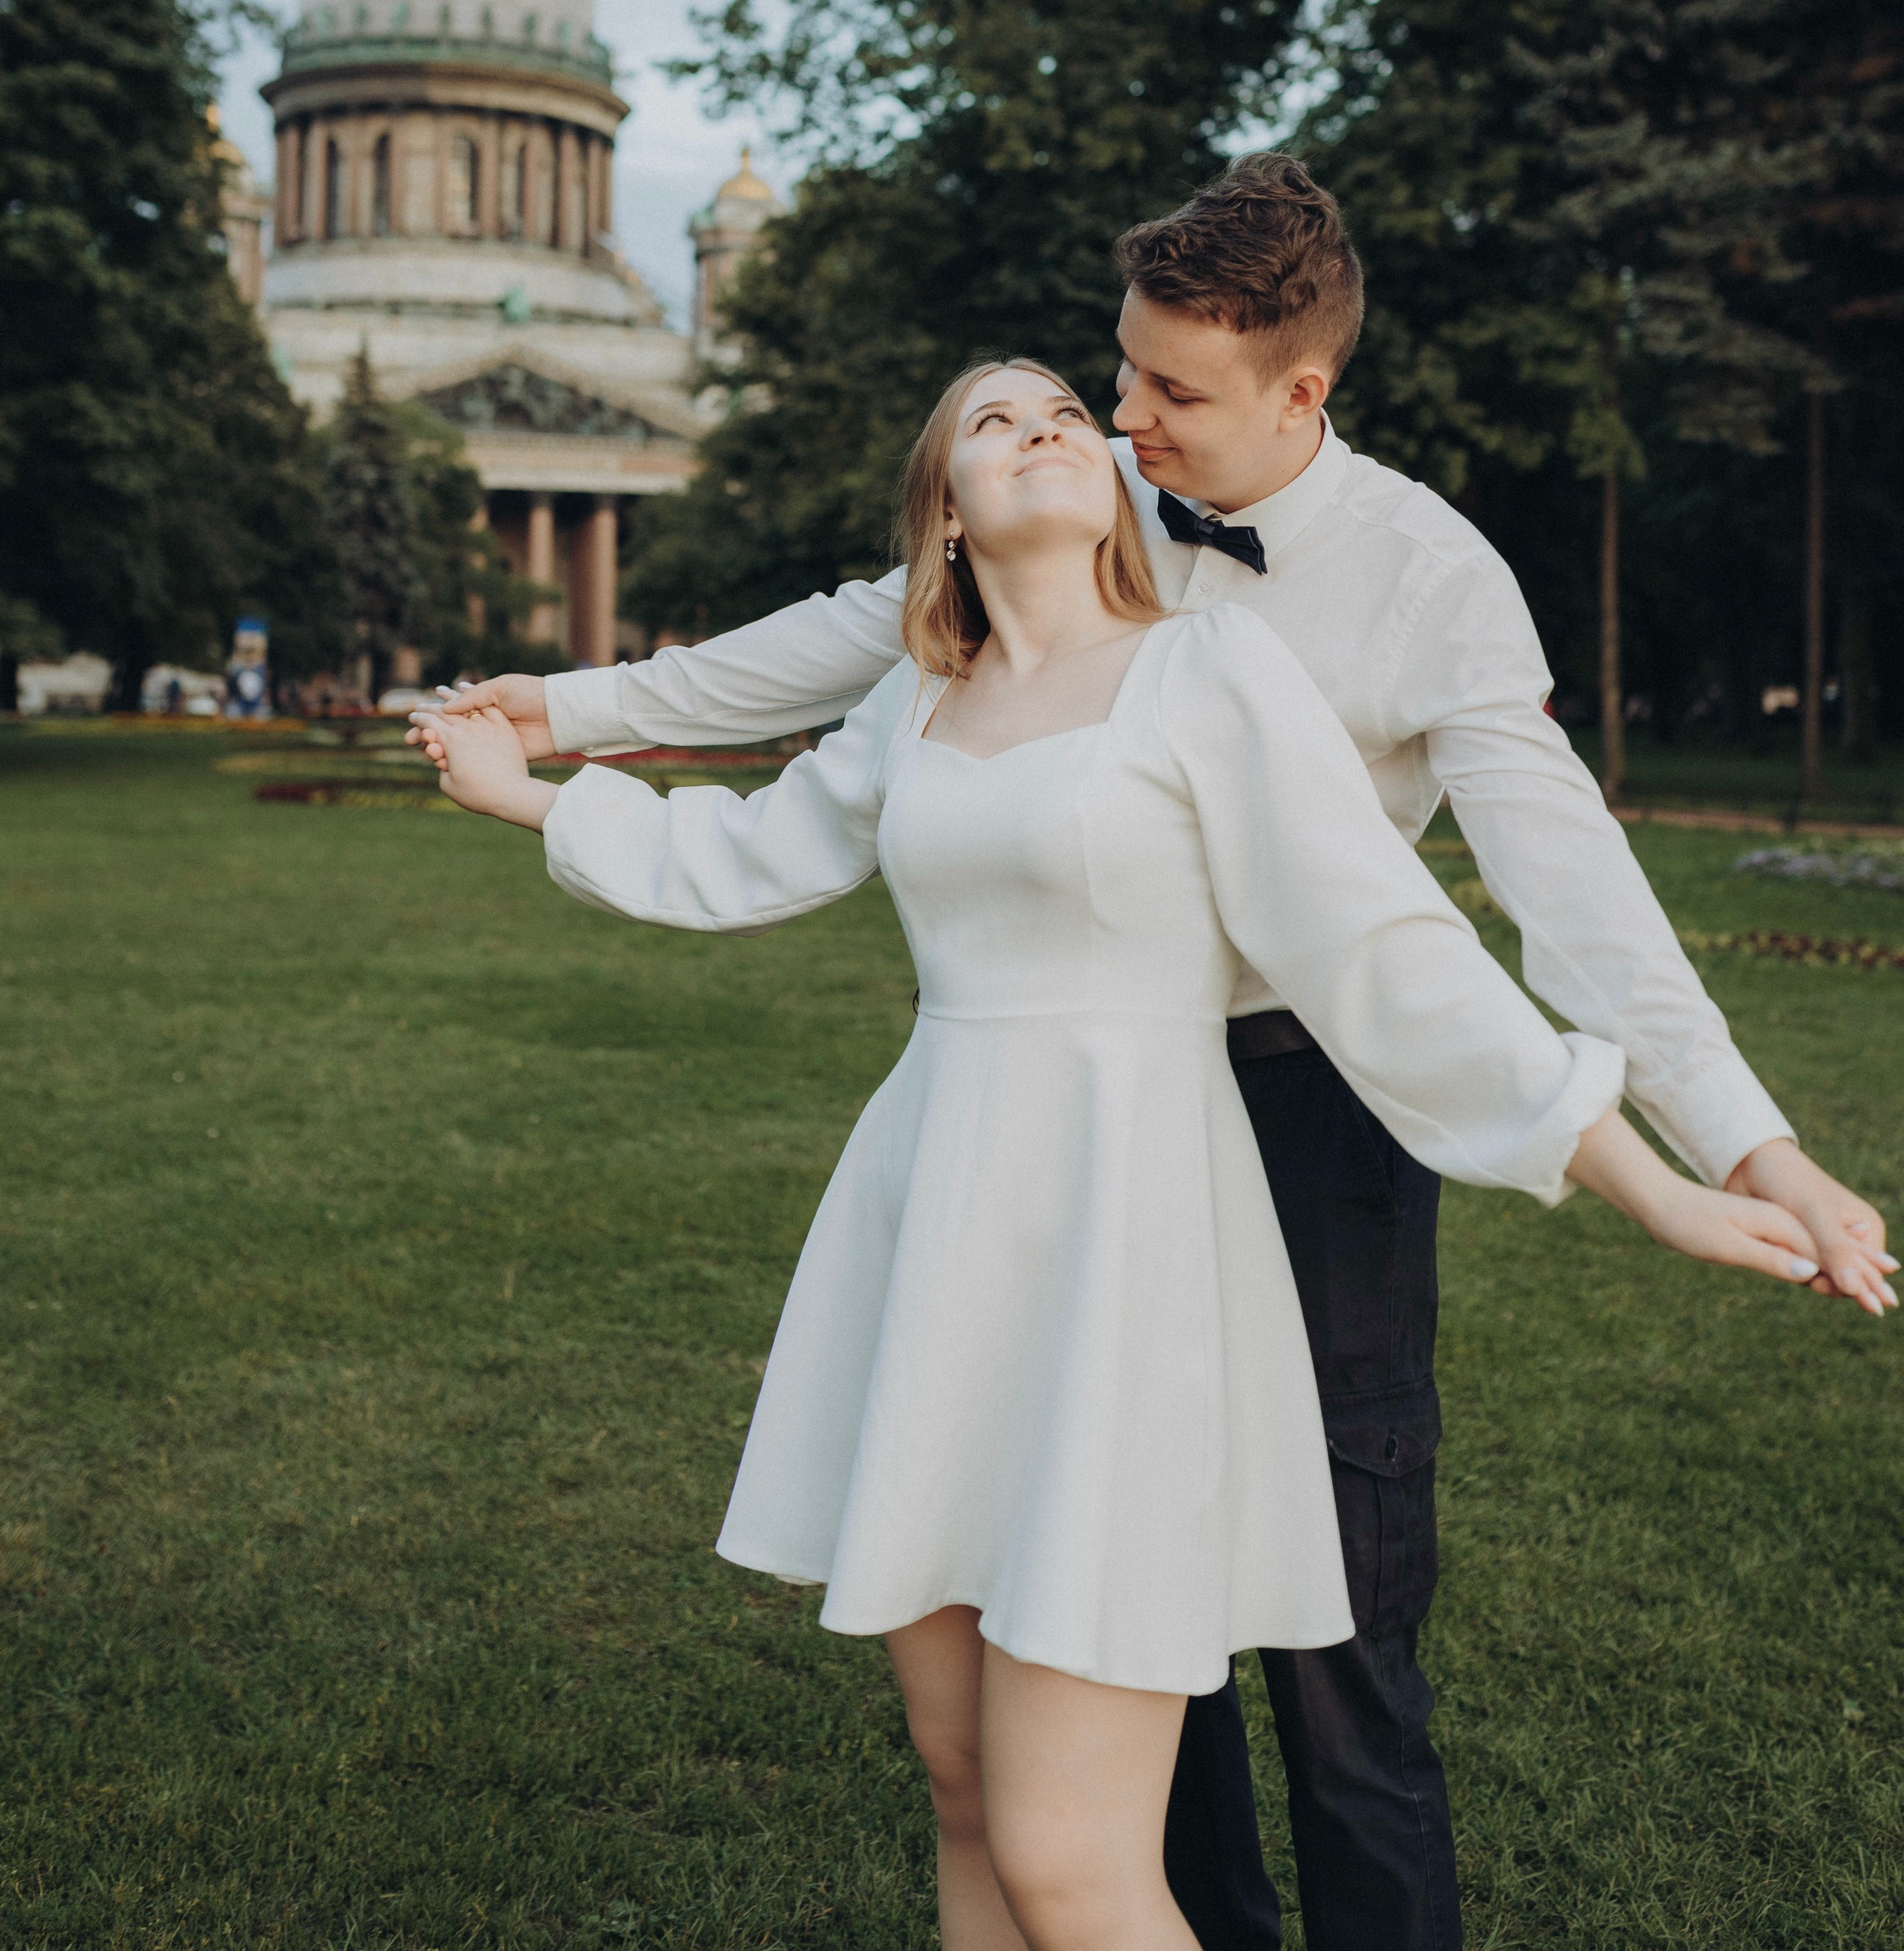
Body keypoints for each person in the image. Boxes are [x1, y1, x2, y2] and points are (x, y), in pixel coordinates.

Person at [416, 159, 1894, 1951]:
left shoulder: (1417, 585)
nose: (1109, 423)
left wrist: (1720, 1153)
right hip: (980, 1169)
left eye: (1152, 395)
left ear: (1299, 393)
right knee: (1048, 1711)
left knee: (1337, 1616)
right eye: (1087, 387)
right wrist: (564, 723)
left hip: (1305, 1093)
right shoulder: (1022, 563)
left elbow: (1501, 920)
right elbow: (824, 675)